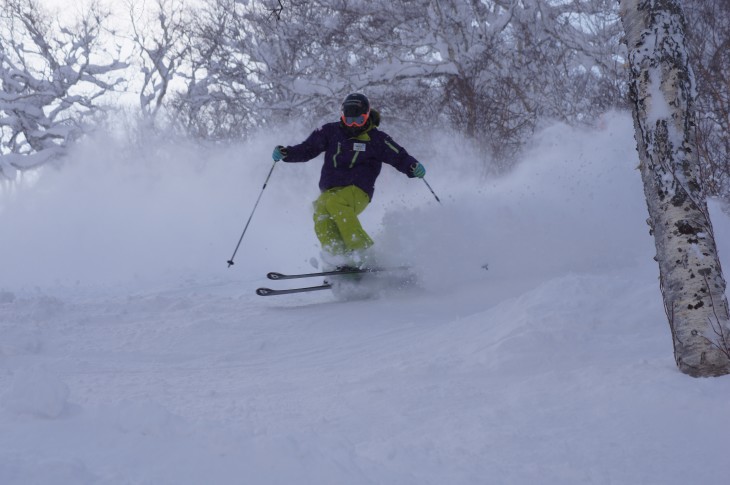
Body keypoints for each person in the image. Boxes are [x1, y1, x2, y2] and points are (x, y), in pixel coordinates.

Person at [272, 92, 427, 269]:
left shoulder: (377, 139)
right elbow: (307, 149)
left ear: (367, 116)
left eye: (359, 121)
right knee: (320, 208)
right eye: (349, 120)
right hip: (330, 190)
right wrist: (287, 153)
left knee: (336, 203)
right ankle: (339, 257)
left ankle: (363, 253)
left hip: (359, 190)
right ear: (342, 116)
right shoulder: (330, 132)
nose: (353, 125)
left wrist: (412, 167)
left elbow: (399, 156)